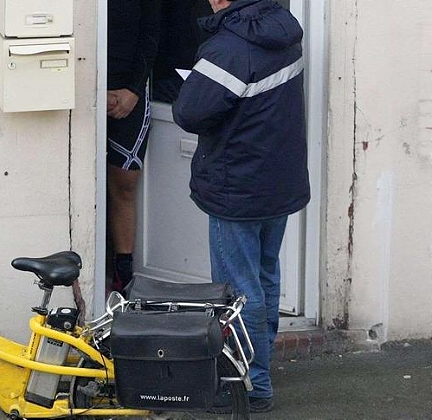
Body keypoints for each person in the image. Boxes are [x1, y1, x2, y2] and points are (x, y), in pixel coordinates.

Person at [172, 0, 310, 413]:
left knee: (237, 292)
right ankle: (259, 367)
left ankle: (249, 385)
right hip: (277, 183)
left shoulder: (228, 49)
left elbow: (189, 112)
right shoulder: (286, 30)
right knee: (265, 278)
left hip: (238, 187)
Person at [106, 0, 161, 294]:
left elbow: (151, 34)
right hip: (85, 85)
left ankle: (122, 276)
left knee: (124, 182)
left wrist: (133, 90)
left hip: (130, 92)